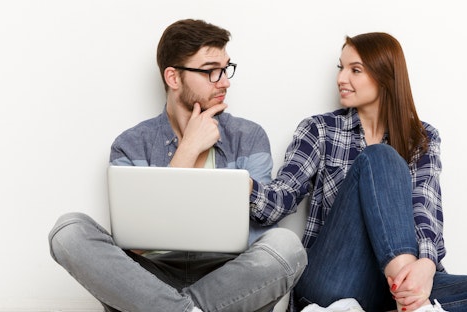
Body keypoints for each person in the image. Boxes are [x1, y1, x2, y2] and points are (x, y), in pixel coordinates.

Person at [249, 32, 467, 312]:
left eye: (355, 70)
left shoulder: (422, 137)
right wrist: (246, 188)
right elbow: (281, 198)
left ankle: (404, 302)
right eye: (341, 68)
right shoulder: (320, 130)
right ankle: (413, 306)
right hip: (334, 282)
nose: (341, 78)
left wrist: (426, 266)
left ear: (384, 76)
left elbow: (425, 210)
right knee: (379, 158)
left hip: (396, 286)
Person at [48, 19, 307, 312]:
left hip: (229, 279)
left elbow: (260, 224)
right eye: (211, 71)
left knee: (286, 246)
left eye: (226, 69)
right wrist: (188, 149)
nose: (224, 81)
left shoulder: (248, 136)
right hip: (148, 282)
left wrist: (239, 184)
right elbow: (136, 243)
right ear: (173, 78)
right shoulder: (131, 144)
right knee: (68, 231)